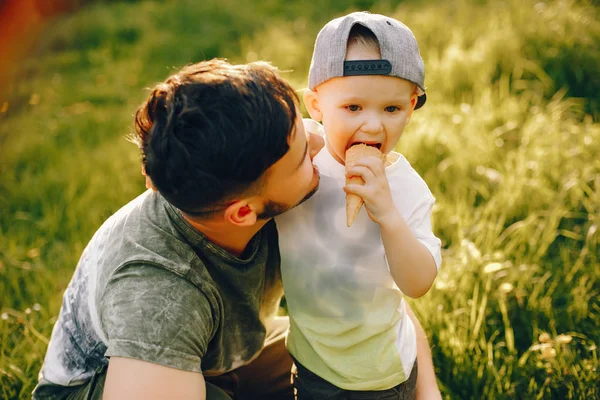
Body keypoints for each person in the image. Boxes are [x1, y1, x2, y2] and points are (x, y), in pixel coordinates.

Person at [32, 58, 439, 400]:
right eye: (302, 158)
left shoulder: (255, 158)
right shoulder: (161, 296)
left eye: (305, 129)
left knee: (348, 357)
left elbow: (377, 305)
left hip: (223, 351)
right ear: (244, 214)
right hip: (109, 383)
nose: (319, 147)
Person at [275, 12, 442, 399]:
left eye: (391, 109)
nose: (371, 126)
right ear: (316, 104)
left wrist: (387, 215)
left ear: (412, 104)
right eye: (352, 108)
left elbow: (418, 284)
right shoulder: (297, 157)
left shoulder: (405, 189)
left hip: (379, 373)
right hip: (311, 360)